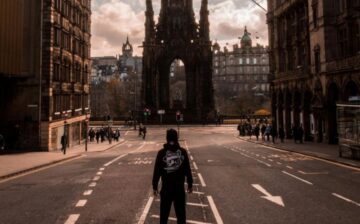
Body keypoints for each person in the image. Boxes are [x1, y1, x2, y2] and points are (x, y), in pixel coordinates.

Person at [152, 129, 193, 224]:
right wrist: (190, 184)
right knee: (181, 216)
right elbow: (187, 169)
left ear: (166, 138)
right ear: (177, 138)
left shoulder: (161, 153)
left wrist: (155, 186)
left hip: (166, 189)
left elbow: (157, 171)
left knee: (164, 216)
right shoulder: (183, 152)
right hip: (179, 189)